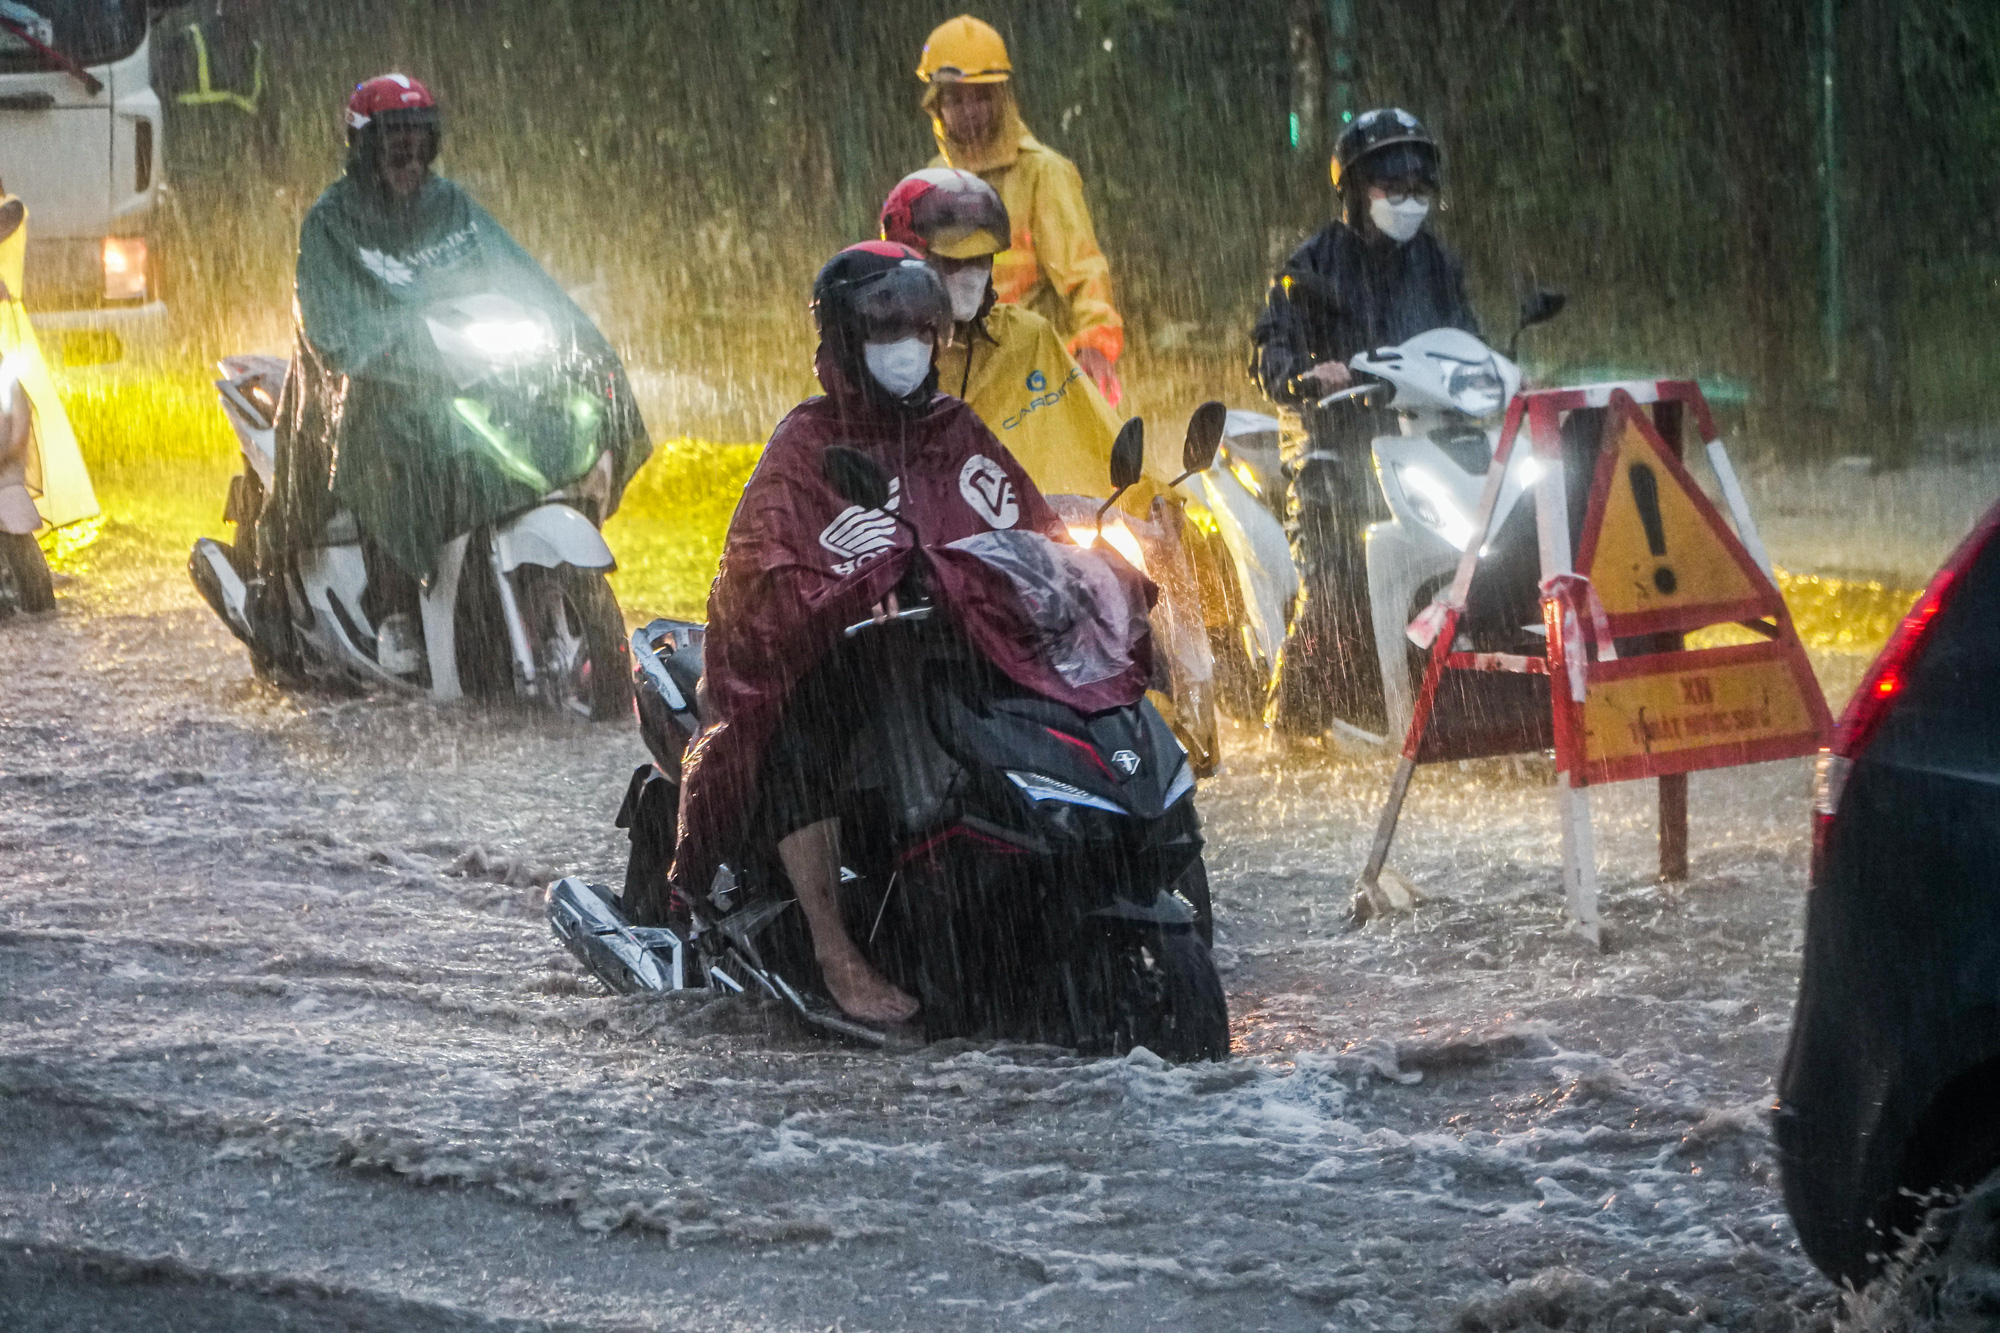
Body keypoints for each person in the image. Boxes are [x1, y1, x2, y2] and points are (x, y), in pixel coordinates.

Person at [667, 242, 1149, 1027]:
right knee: (803, 733)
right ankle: (836, 950)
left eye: (923, 330)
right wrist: (847, 599)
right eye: (888, 328)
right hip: (836, 675)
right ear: (847, 340)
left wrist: (1075, 574)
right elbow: (762, 579)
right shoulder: (806, 446)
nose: (909, 347)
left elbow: (1024, 527)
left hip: (955, 661)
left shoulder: (954, 428)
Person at [260, 74, 648, 652]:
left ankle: (508, 567)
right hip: (367, 384)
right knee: (388, 428)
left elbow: (520, 276)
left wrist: (578, 342)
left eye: (421, 144)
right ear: (365, 147)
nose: (410, 158)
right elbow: (332, 321)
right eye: (396, 144)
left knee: (558, 404)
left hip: (455, 371)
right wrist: (387, 352)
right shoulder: (331, 221)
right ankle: (393, 601)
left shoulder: (451, 207)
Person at [1248, 107, 1480, 739]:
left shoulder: (1436, 264)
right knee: (1337, 571)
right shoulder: (1310, 266)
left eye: (1418, 189)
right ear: (1353, 190)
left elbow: (1467, 341)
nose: (1407, 202)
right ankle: (1293, 719)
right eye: (1391, 188)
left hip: (1421, 445)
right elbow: (1269, 351)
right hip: (1333, 447)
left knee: (1492, 549)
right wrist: (1305, 374)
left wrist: (1499, 375)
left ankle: (1474, 693)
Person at [916, 14, 1126, 408]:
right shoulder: (928, 183)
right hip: (952, 386)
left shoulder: (1043, 172)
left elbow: (1084, 273)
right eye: (956, 99)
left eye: (981, 96)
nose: (970, 110)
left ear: (1003, 99)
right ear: (937, 106)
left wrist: (1096, 345)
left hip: (1034, 383)